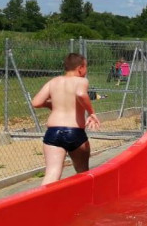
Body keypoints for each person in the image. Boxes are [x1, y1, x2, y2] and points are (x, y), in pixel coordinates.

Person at [30, 53, 100, 185]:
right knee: (82, 172)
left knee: (52, 174)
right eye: (86, 67)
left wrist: (52, 104)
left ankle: (42, 204)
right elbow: (80, 94)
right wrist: (92, 112)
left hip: (53, 132)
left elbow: (36, 102)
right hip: (75, 132)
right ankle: (83, 203)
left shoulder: (53, 82)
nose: (86, 71)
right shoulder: (81, 81)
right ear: (80, 68)